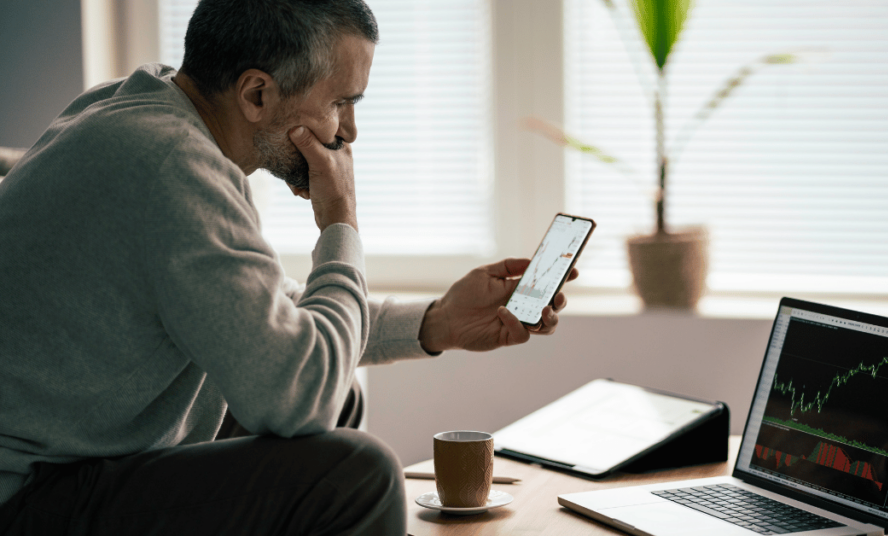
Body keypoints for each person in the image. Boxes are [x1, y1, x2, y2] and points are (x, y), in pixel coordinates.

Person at [0, 0, 575, 534]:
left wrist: (438, 320)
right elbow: (300, 394)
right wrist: (340, 223)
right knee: (356, 474)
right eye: (340, 102)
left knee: (338, 385)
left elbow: (261, 314)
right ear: (256, 95)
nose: (348, 133)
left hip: (72, 453)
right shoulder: (172, 166)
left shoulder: (137, 106)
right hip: (27, 492)